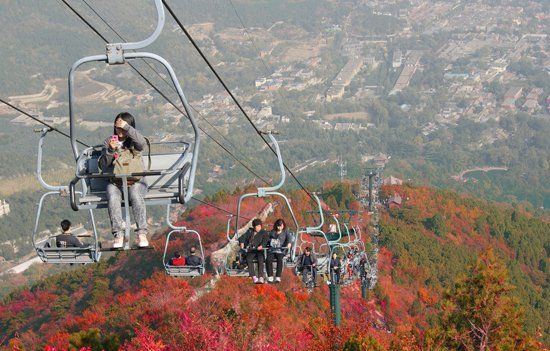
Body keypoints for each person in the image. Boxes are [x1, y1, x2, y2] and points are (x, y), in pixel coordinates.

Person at [99, 112, 149, 248]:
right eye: (117, 127)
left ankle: (142, 233)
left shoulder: (134, 141)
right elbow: (103, 164)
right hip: (116, 182)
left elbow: (142, 143)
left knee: (135, 194)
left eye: (122, 127)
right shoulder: (109, 141)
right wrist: (110, 150)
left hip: (136, 181)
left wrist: (127, 128)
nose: (119, 131)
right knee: (112, 195)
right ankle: (118, 234)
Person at [238, 218, 269, 284]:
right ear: (254, 227)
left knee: (260, 259)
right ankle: (254, 276)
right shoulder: (250, 231)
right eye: (256, 227)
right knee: (249, 259)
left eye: (259, 226)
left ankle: (260, 276)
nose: (257, 228)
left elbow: (265, 240)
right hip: (251, 250)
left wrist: (262, 246)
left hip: (259, 250)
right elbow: (242, 237)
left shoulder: (264, 232)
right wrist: (242, 242)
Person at [266, 218, 292, 283]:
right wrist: (271, 241)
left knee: (279, 259)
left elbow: (289, 239)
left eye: (281, 226)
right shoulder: (272, 232)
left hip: (281, 250)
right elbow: (268, 239)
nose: (280, 227)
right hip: (272, 250)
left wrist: (288, 244)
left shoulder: (286, 232)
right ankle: (270, 276)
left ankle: (278, 276)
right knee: (268, 259)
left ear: (283, 226)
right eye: (278, 226)